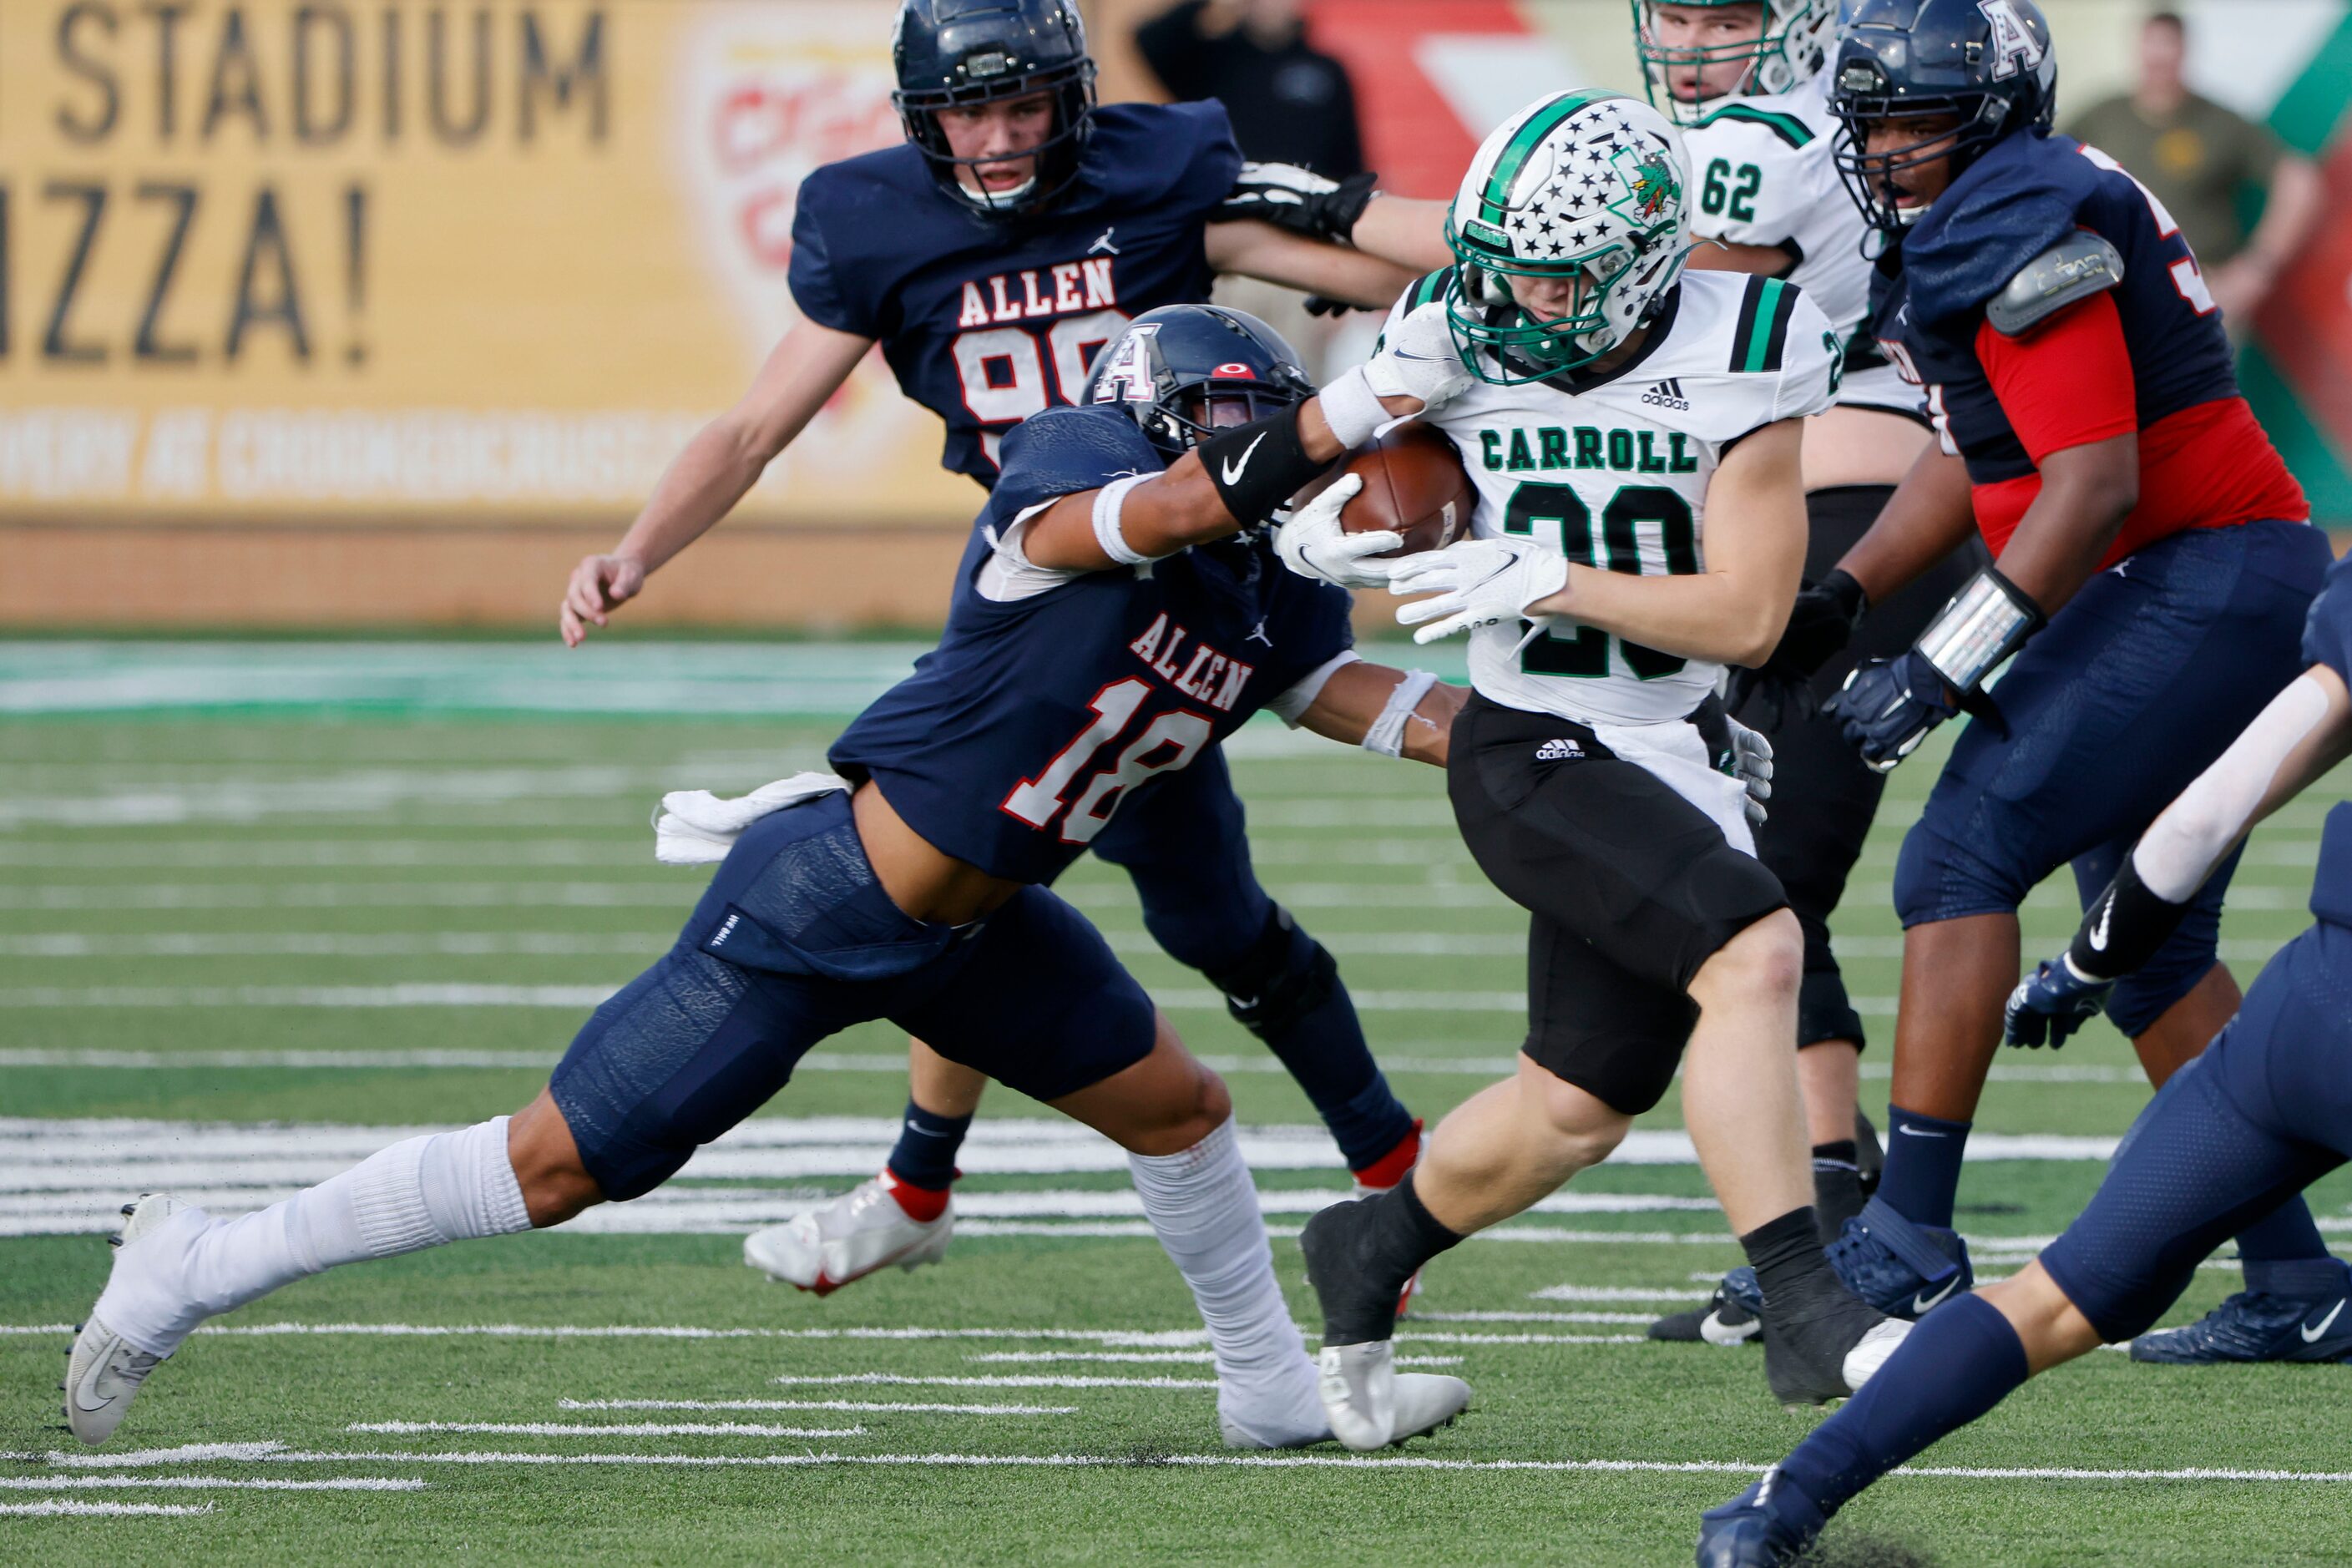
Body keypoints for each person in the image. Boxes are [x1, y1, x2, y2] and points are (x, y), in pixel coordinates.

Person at [63, 304, 1479, 1456]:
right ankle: (197, 1259)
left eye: (1267, 431)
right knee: (555, 1163)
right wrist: (1339, 414)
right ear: (1166, 426)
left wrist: (1577, 740)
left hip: (982, 928)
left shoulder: (1261, 587)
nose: (1263, 465)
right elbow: (1150, 514)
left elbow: (1383, 704)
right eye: (1231, 429)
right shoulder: (1070, 464)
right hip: (823, 900)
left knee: (1178, 1108)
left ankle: (1271, 1391)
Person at [559, 0, 1432, 1294]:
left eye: (1028, 104)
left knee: (1206, 918)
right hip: (1037, 582)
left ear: (1074, 98)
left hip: (1191, 570)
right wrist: (640, 548)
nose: (1005, 135)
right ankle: (926, 1178)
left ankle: (1382, 1162)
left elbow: (1374, 249)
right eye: (973, 109)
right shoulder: (880, 224)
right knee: (963, 854)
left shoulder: (1153, 173)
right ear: (921, 116)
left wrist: (1525, 296)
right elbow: (754, 427)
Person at [1275, 90, 1906, 1434]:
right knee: (1757, 947)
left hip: (1674, 737)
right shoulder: (1451, 321)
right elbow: (1304, 458)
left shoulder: (1750, 337)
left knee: (1573, 1108)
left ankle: (1367, 1247)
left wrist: (1554, 572)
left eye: (1550, 274)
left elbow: (1746, 616)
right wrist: (1303, 533)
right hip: (1526, 740)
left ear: (1639, 261)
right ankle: (1802, 1302)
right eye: (1498, 262)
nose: (1512, 300)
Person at [1755, 0, 2344, 1354]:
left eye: (1920, 120)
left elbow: (2088, 485)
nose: (1889, 148)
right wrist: (1840, 596)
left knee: (1957, 851)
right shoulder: (1997, 207)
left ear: (1995, 117)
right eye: (1875, 121)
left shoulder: (2022, 214)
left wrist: (1941, 663)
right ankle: (2297, 1276)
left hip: (2195, 570)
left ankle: (1905, 1232)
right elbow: (1977, 452)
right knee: (2148, 951)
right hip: (2205, 572)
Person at [1695, 554, 2352, 1567]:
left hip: (2304, 1016)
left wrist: (2086, 966)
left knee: (2051, 1298)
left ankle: (1774, 1507)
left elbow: (2205, 815)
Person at [1631, 0, 1995, 1348]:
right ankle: (1847, 1197)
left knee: (1762, 885)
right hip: (1896, 508)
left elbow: (1665, 332)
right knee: (1776, 878)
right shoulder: (1853, 136)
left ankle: (1863, 1239)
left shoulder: (1765, 141)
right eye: (1676, 12)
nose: (1692, 41)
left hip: (1885, 512)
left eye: (1726, 12)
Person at [2065, 10, 2323, 330]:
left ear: (2184, 51)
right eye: (2152, 45)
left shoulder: (2220, 122)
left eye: (2169, 46)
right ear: (2139, 49)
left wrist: (2259, 266)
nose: (2159, 57)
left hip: (2201, 295)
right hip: (2113, 294)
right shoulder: (2102, 116)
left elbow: (2297, 179)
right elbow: (2044, 174)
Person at [1134, 0, 1363, 179]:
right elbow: (1150, 40)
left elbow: (1348, 155)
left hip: (1307, 214)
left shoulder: (1327, 71)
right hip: (1228, 208)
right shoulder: (1215, 61)